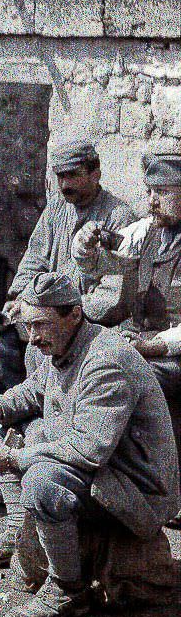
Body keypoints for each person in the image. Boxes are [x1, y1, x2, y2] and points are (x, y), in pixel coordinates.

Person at [0, 272, 179, 617]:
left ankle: (67, 590)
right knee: (29, 431)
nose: (33, 338)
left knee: (42, 479)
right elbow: (35, 390)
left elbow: (90, 449)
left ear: (74, 314)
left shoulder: (106, 361)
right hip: (107, 472)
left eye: (41, 326)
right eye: (29, 326)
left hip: (138, 489)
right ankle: (19, 532)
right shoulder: (63, 342)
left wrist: (14, 459)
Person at [0, 139, 134, 391]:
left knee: (40, 350)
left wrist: (59, 310)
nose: (65, 185)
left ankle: (48, 412)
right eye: (60, 177)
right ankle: (16, 414)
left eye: (73, 176)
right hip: (47, 314)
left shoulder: (119, 217)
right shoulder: (57, 207)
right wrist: (22, 299)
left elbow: (113, 297)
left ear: (95, 174)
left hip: (87, 321)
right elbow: (35, 259)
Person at [73, 152, 181, 474]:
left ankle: (156, 481)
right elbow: (102, 266)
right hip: (138, 341)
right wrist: (86, 248)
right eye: (149, 192)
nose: (151, 201)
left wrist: (153, 347)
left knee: (132, 378)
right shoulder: (144, 233)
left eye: (162, 193)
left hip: (172, 352)